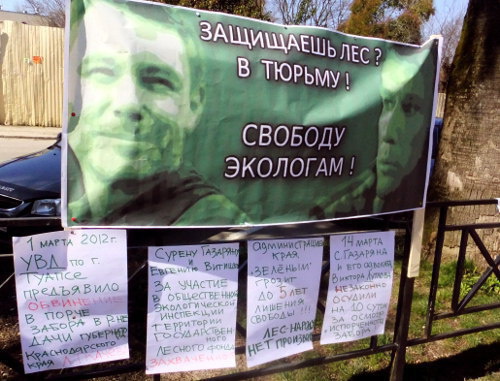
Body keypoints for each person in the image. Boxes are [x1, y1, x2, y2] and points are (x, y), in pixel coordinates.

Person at [66, 0, 248, 226]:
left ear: (194, 103)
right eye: (103, 71)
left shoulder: (211, 221)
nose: (128, 102)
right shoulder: (61, 181)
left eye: (158, 81)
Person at [310, 43, 437, 218]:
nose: (389, 133)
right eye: (388, 102)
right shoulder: (333, 207)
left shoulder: (425, 195)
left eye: (411, 108)